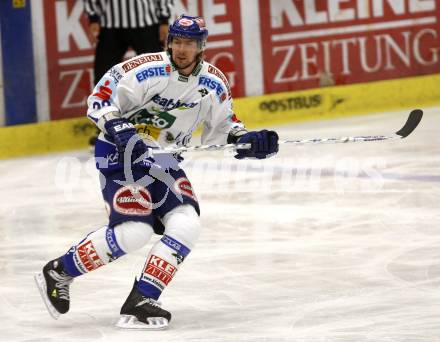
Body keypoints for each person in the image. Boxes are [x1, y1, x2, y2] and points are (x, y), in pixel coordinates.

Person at [35, 15, 279, 330]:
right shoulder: (143, 69)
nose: (181, 49)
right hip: (120, 153)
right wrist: (117, 125)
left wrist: (245, 140)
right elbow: (100, 99)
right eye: (176, 41)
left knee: (187, 223)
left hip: (163, 160)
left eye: (189, 43)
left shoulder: (214, 82)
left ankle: (142, 299)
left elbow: (223, 128)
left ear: (201, 46)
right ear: (168, 42)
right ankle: (59, 271)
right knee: (134, 232)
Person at [84, 0, 173, 85]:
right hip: (109, 24)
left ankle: (160, 99)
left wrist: (164, 19)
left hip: (146, 22)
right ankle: (102, 100)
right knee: (103, 76)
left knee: (157, 74)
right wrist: (93, 17)